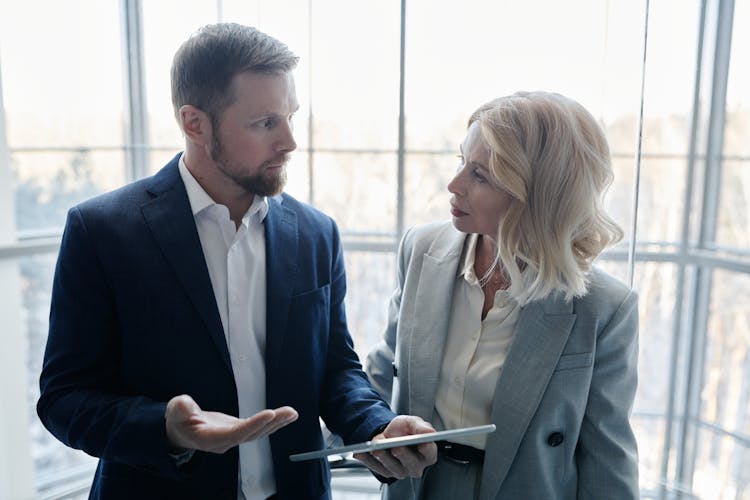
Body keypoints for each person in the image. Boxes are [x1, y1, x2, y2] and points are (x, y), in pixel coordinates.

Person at [37, 22, 436, 500]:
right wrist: (165, 427)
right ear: (195, 124)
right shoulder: (100, 231)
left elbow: (335, 369)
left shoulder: (316, 233)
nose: (289, 141)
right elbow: (65, 399)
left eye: (290, 116)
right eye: (265, 122)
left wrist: (377, 426)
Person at [365, 91, 640, 499]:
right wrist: (370, 430)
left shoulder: (603, 307)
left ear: (539, 196)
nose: (454, 185)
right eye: (461, 161)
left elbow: (606, 457)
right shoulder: (421, 250)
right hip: (416, 489)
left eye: (480, 175)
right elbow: (382, 371)